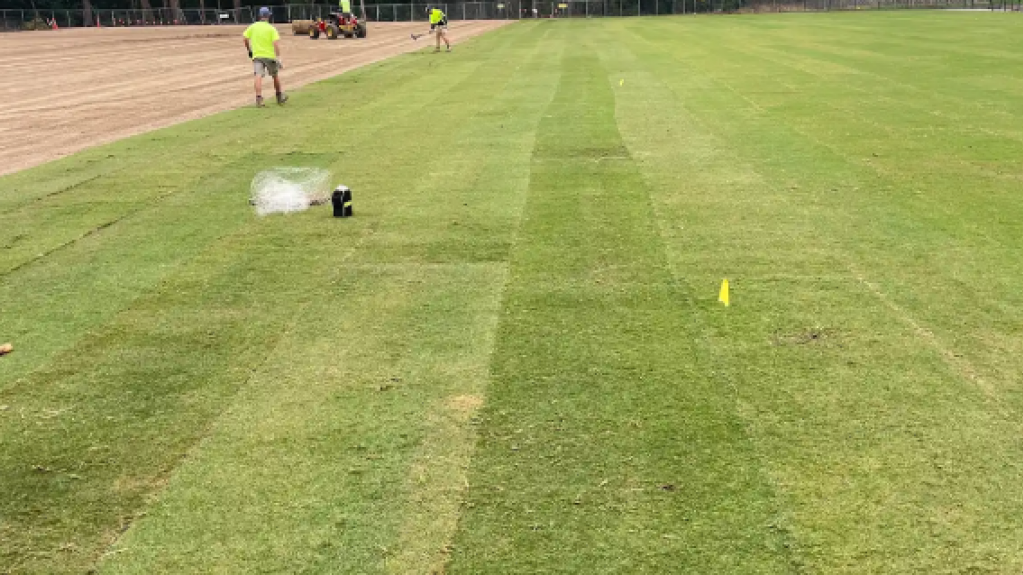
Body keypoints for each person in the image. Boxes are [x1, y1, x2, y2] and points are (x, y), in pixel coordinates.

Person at [243, 7, 287, 107]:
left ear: (260, 16)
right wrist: (279, 57)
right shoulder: (271, 28)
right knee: (275, 75)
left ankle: (259, 98)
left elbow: (245, 39)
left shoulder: (253, 26)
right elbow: (275, 43)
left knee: (258, 76)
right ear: (268, 16)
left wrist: (249, 50)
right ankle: (279, 96)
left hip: (257, 55)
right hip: (269, 56)